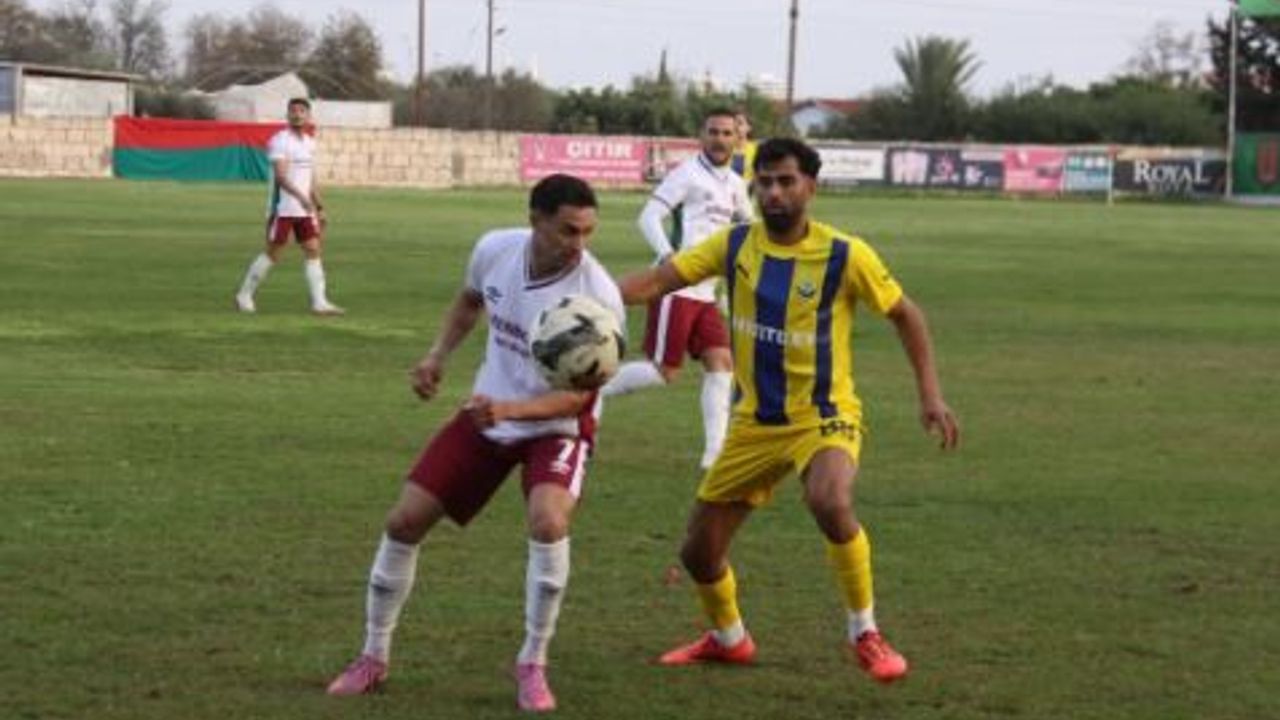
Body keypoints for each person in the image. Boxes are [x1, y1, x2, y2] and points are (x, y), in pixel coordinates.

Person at [617, 138, 959, 684]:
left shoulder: (845, 254)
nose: (773, 192)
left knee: (829, 498)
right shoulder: (734, 245)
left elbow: (906, 314)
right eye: (765, 182)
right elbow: (660, 280)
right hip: (754, 422)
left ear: (810, 187)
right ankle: (729, 640)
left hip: (823, 414)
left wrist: (930, 395)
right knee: (699, 553)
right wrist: (596, 296)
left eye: (786, 181)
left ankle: (865, 632)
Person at [326, 174, 624, 713]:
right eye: (568, 230)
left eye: (587, 232)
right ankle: (372, 657)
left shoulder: (597, 294)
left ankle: (532, 663)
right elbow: (468, 303)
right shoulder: (495, 249)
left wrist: (511, 410)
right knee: (404, 522)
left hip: (555, 426)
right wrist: (436, 356)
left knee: (549, 521)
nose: (579, 244)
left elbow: (579, 400)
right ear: (535, 220)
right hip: (489, 413)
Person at [601, 108, 752, 470]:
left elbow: (749, 227)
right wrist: (669, 257)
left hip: (707, 292)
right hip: (678, 288)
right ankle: (591, 389)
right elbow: (648, 217)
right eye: (713, 131)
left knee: (722, 363)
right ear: (702, 136)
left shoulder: (735, 184)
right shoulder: (687, 174)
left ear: (737, 138)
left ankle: (714, 455)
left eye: (726, 133)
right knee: (664, 372)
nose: (719, 139)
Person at [234, 97, 344, 315]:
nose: (297, 114)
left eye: (302, 111)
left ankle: (319, 302)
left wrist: (319, 207)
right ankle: (244, 295)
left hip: (304, 210)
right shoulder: (280, 141)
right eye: (293, 111)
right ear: (287, 115)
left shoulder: (309, 143)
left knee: (313, 249)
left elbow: (310, 178)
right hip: (283, 208)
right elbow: (281, 177)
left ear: (308, 116)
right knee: (273, 253)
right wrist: (301, 198)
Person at [730, 109, 757, 183]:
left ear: (749, 127)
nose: (736, 126)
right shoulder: (724, 150)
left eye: (740, 123)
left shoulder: (757, 150)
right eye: (733, 123)